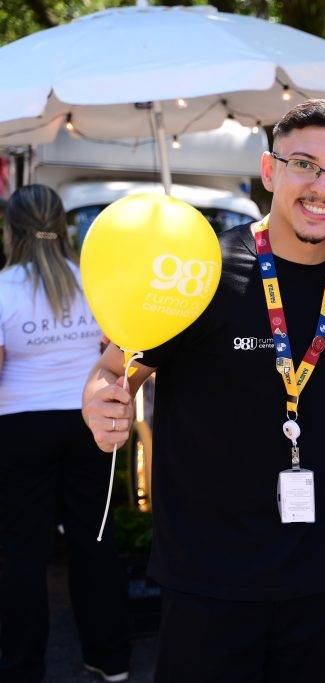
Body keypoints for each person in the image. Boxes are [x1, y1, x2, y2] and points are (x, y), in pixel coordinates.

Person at [80, 100, 325, 681]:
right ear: (269, 172)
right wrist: (100, 401)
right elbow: (115, 369)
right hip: (209, 578)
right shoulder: (203, 270)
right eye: (304, 164)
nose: (323, 185)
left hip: (322, 575)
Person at [0, 185, 130, 682]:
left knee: (22, 552)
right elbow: (117, 350)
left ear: (12, 230)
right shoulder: (93, 283)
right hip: (86, 423)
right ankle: (112, 658)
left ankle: (21, 667)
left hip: (19, 428)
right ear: (65, 224)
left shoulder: (4, 288)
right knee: (95, 540)